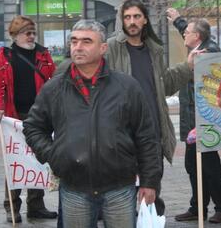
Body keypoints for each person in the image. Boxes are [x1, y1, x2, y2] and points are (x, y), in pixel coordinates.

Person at [23, 20, 162, 228]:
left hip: (120, 187)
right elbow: (33, 127)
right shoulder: (54, 89)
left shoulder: (127, 87)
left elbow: (146, 136)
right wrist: (54, 155)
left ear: (103, 48)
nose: (78, 47)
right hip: (74, 188)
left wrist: (150, 181)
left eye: (87, 41)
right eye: (74, 41)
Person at [105, 0, 194, 215]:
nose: (132, 21)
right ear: (122, 21)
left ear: (145, 20)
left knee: (152, 187)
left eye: (136, 16)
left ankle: (152, 218)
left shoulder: (154, 50)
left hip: (152, 128)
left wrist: (188, 66)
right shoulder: (111, 48)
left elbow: (166, 84)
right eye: (127, 17)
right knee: (123, 191)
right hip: (122, 131)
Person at [0, 15, 57, 223]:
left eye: (33, 32)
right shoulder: (5, 56)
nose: (31, 36)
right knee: (15, 162)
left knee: (38, 160)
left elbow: (54, 80)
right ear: (15, 35)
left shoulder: (43, 55)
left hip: (40, 116)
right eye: (27, 32)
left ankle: (36, 205)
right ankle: (12, 206)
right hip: (13, 117)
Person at [167, 9, 221, 223]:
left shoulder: (208, 52)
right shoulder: (199, 48)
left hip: (204, 122)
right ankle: (198, 207)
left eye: (187, 32)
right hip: (192, 121)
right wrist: (178, 21)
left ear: (198, 37)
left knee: (209, 166)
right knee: (193, 166)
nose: (184, 34)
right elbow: (190, 31)